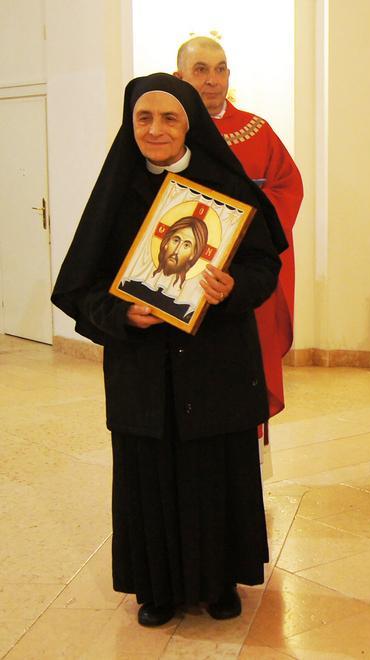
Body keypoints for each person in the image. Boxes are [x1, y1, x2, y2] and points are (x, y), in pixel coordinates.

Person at [51, 73, 288, 627]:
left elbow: (262, 266)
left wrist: (233, 290)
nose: (155, 129)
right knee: (149, 475)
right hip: (143, 369)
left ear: (191, 124)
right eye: (143, 118)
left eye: (169, 118)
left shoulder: (226, 189)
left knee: (215, 471)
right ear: (131, 124)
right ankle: (156, 588)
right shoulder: (116, 191)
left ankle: (219, 582)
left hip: (216, 364)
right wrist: (120, 315)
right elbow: (78, 289)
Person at [175, 36, 302, 429]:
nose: (213, 80)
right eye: (201, 70)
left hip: (242, 273)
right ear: (179, 76)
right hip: (183, 269)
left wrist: (244, 235)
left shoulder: (257, 131)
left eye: (220, 69)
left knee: (246, 368)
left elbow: (287, 187)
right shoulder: (168, 129)